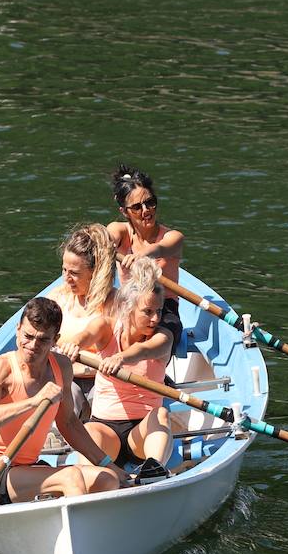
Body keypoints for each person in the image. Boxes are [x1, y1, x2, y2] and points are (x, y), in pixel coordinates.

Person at [0, 297, 122, 505]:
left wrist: (108, 464)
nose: (32, 345)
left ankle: (75, 523)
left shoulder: (62, 367)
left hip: (28, 469)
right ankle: (83, 527)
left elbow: (68, 423)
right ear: (18, 328)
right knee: (71, 477)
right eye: (27, 336)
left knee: (107, 480)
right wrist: (33, 402)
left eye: (43, 340)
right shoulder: (0, 368)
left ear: (55, 339)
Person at [79, 257, 175, 483]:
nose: (155, 319)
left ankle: (154, 472)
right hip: (104, 428)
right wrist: (73, 345)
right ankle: (86, 480)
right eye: (148, 311)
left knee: (161, 414)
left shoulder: (163, 337)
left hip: (140, 433)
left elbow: (145, 350)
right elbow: (85, 336)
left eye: (159, 311)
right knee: (89, 431)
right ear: (128, 308)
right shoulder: (106, 327)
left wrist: (121, 357)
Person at [106, 163, 185, 350]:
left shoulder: (173, 237)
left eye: (150, 202)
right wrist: (104, 244)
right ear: (124, 212)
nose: (146, 210)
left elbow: (160, 249)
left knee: (160, 336)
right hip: (129, 304)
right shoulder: (119, 231)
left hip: (163, 307)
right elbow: (108, 237)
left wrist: (141, 255)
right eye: (137, 207)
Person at [48, 223, 117, 420]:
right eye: (64, 270)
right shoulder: (56, 300)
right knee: (65, 394)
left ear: (94, 272)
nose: (66, 278)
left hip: (107, 380)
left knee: (101, 399)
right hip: (67, 380)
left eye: (74, 273)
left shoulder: (115, 304)